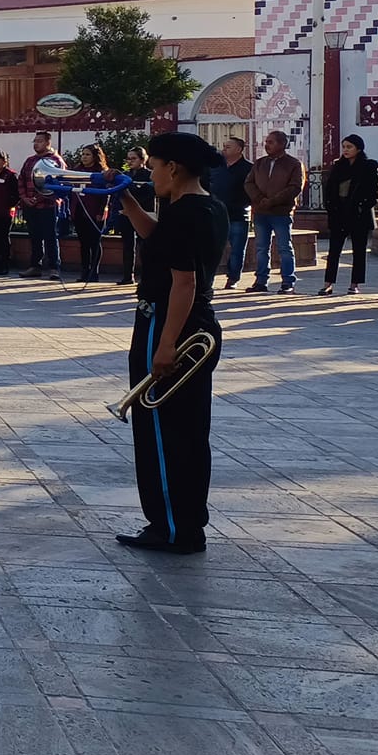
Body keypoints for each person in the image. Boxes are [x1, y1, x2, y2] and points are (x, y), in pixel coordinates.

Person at [111, 131, 227, 555]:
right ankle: (182, 523)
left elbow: (184, 282)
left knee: (162, 430)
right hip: (191, 324)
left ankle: (171, 527)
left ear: (172, 168)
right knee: (187, 429)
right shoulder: (205, 206)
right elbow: (158, 239)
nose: (152, 174)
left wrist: (165, 344)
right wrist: (126, 200)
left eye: (155, 166)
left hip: (170, 323)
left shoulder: (185, 214)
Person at [244, 130, 304, 294]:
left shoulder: (293, 164)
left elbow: (295, 187)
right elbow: (249, 183)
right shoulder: (260, 163)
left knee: (284, 247)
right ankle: (261, 281)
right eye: (267, 141)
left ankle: (288, 282)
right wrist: (259, 198)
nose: (267, 145)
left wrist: (272, 201)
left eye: (271, 142)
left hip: (281, 212)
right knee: (261, 248)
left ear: (282, 144)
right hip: (261, 212)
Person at [319, 134, 377, 296]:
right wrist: (331, 207)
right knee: (334, 251)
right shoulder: (338, 167)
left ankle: (354, 284)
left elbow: (373, 193)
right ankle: (328, 283)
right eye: (344, 146)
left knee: (359, 252)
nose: (345, 150)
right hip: (339, 214)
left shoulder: (367, 167)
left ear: (358, 148)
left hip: (359, 215)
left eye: (349, 147)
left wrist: (361, 207)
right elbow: (329, 190)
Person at [17, 132, 66, 279]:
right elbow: (22, 179)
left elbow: (57, 183)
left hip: (48, 205)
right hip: (30, 206)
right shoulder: (30, 161)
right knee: (34, 237)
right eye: (35, 141)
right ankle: (35, 266)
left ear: (47, 143)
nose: (36, 144)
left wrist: (38, 198)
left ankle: (54, 268)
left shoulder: (56, 161)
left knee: (50, 236)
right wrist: (25, 197)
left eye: (39, 141)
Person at [208, 137, 250, 290]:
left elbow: (252, 189)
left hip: (238, 214)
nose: (224, 149)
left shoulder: (248, 168)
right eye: (224, 146)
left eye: (228, 147)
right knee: (213, 249)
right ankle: (209, 279)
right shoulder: (216, 167)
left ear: (239, 150)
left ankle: (233, 278)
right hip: (217, 214)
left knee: (237, 249)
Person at [68, 144, 113, 284]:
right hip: (79, 210)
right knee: (84, 243)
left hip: (94, 212)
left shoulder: (101, 172)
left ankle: (94, 272)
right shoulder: (77, 170)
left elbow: (105, 195)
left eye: (88, 154)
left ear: (95, 156)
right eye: (83, 154)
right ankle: (84, 271)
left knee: (94, 242)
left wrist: (101, 212)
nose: (84, 157)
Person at [115, 146, 155, 285]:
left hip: (144, 213)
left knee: (145, 246)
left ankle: (147, 276)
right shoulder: (125, 175)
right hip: (126, 213)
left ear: (143, 159)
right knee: (127, 244)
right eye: (129, 158)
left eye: (134, 158)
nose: (130, 161)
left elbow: (148, 193)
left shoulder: (150, 175)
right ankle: (127, 276)